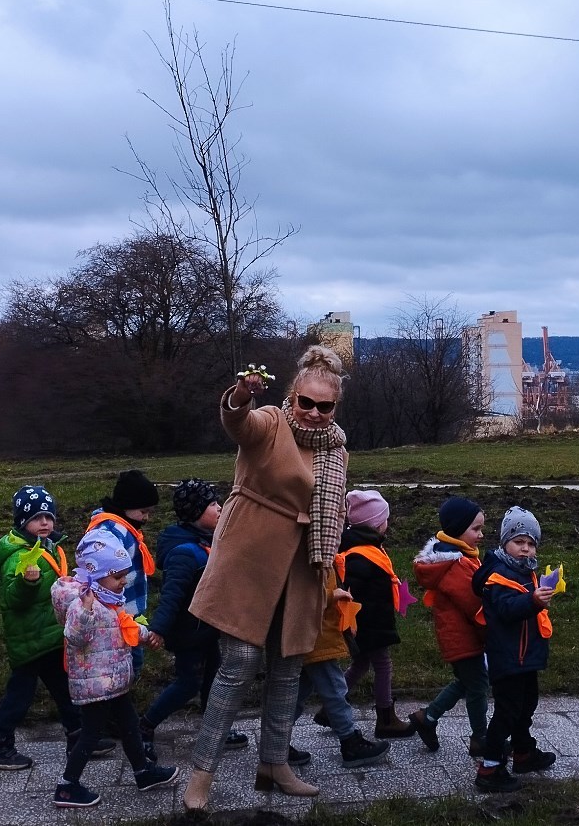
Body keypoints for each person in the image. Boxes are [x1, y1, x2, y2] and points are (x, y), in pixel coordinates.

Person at [181, 346, 350, 811]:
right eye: (306, 402)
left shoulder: (337, 450)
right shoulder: (272, 422)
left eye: (324, 406)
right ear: (292, 396)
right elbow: (239, 423)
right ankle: (201, 776)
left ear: (335, 407)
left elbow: (332, 509)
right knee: (239, 663)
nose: (314, 413)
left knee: (288, 667)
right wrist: (240, 396)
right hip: (249, 556)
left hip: (302, 566)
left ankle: (274, 765)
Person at [49, 532, 180, 808]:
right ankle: (67, 787)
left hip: (114, 679)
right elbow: (75, 637)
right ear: (97, 576)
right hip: (95, 684)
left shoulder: (109, 599)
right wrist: (85, 611)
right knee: (91, 734)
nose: (124, 581)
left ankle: (143, 772)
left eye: (124, 575)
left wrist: (147, 635)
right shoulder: (83, 602)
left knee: (130, 725)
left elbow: (123, 626)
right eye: (118, 576)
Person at [140, 478, 247, 754]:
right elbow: (171, 596)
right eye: (212, 504)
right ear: (196, 512)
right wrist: (159, 629)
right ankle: (146, 725)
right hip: (188, 632)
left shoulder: (206, 541)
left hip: (206, 628)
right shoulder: (185, 554)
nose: (219, 507)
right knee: (188, 683)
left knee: (213, 679)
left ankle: (214, 729)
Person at [0, 486, 83, 771]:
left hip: (49, 635)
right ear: (21, 522)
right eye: (36, 518)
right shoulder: (18, 557)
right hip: (29, 640)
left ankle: (79, 737)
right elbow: (11, 599)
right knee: (20, 695)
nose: (44, 523)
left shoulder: (50, 547)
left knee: (64, 688)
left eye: (49, 517)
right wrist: (27, 583)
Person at [472, 506, 558, 793]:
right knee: (507, 712)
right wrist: (533, 601)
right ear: (504, 542)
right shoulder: (499, 575)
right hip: (508, 657)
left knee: (526, 705)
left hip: (525, 656)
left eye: (531, 544)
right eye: (518, 541)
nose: (525, 549)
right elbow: (507, 609)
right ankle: (490, 768)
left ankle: (523, 752)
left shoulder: (523, 571)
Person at [409, 496, 491, 755]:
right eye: (476, 529)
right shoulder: (456, 565)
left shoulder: (458, 558)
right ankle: (480, 738)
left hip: (458, 635)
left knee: (467, 681)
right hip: (463, 637)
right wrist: (493, 629)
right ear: (457, 529)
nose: (481, 535)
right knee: (477, 685)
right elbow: (474, 604)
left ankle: (427, 717)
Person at [337, 489, 418, 739]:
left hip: (367, 622)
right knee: (383, 665)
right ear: (375, 524)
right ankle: (386, 718)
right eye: (385, 519)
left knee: (361, 663)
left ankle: (331, 708)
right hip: (370, 623)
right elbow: (359, 591)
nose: (387, 523)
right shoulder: (363, 556)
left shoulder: (362, 549)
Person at [292, 569, 392, 768]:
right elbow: (300, 593)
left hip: (315, 632)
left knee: (299, 692)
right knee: (335, 688)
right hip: (316, 634)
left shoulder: (325, 555)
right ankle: (350, 742)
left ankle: (275, 741)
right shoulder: (313, 552)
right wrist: (332, 596)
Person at [83, 470, 159, 622]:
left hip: (130, 607)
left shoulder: (126, 528)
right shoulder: (111, 532)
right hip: (117, 613)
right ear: (127, 505)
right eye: (143, 511)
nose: (146, 517)